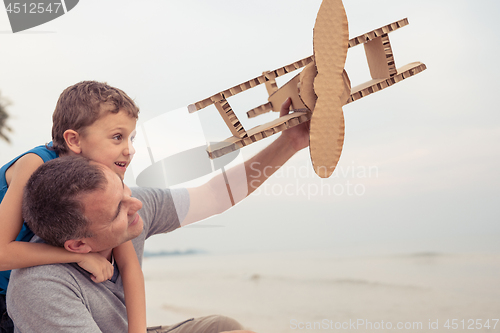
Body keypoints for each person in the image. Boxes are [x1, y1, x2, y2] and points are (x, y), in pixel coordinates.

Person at [7, 91, 310, 332]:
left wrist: (290, 141)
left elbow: (215, 195)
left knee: (223, 327)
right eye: (116, 138)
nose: (135, 205)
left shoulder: (128, 200)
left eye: (130, 138)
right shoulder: (40, 285)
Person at [0, 81, 147, 333]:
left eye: (131, 138)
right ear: (74, 140)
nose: (129, 149)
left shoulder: (104, 181)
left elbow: (129, 265)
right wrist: (79, 255)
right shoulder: (35, 165)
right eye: (117, 137)